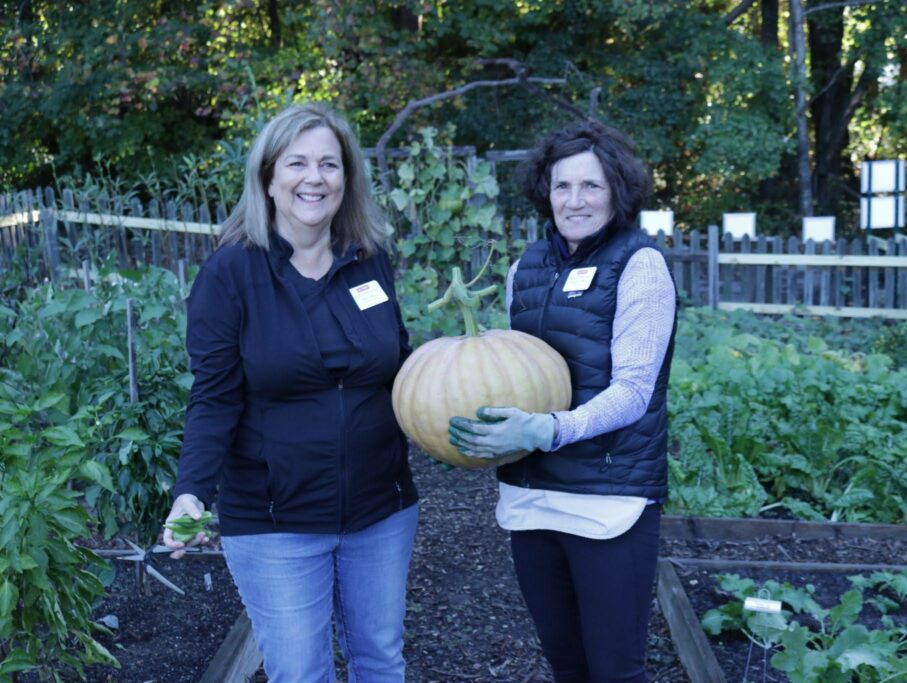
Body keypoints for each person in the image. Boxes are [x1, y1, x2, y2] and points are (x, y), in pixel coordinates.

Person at [162, 102, 418, 683]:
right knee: (302, 671)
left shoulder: (370, 262)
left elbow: (397, 370)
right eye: (297, 163)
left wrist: (461, 382)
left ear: (346, 180)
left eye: (330, 164)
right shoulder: (231, 274)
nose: (315, 178)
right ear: (269, 178)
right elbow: (215, 394)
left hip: (381, 509)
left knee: (381, 660)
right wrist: (191, 491)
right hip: (278, 519)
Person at [449, 120, 677, 683]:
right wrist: (465, 435)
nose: (575, 201)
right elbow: (504, 377)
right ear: (544, 193)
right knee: (567, 664)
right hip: (532, 498)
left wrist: (546, 431)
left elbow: (632, 393)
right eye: (562, 187)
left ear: (617, 191)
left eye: (591, 186)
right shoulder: (524, 269)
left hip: (608, 501)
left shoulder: (640, 265)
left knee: (615, 671)